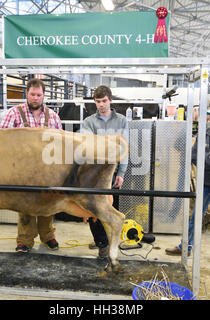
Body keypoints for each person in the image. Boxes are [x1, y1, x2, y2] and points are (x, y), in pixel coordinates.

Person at [165, 103, 210, 270]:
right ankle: (185, 247)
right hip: (205, 181)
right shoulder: (204, 133)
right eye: (209, 114)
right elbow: (193, 154)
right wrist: (205, 158)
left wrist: (202, 159)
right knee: (196, 215)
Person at [0, 78, 63, 254]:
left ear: (44, 96)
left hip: (48, 169)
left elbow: (61, 144)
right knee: (25, 204)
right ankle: (25, 241)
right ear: (26, 93)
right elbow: (2, 141)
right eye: (32, 94)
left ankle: (48, 236)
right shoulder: (13, 114)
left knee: (48, 202)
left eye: (39, 95)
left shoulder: (53, 117)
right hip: (23, 170)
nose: (35, 98)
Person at [81, 85, 129, 258]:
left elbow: (124, 148)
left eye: (104, 101)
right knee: (94, 210)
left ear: (110, 100)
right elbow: (88, 148)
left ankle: (111, 241)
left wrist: (122, 173)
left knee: (111, 209)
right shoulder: (88, 122)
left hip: (114, 172)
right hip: (94, 174)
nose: (101, 104)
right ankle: (101, 244)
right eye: (97, 101)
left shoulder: (122, 121)